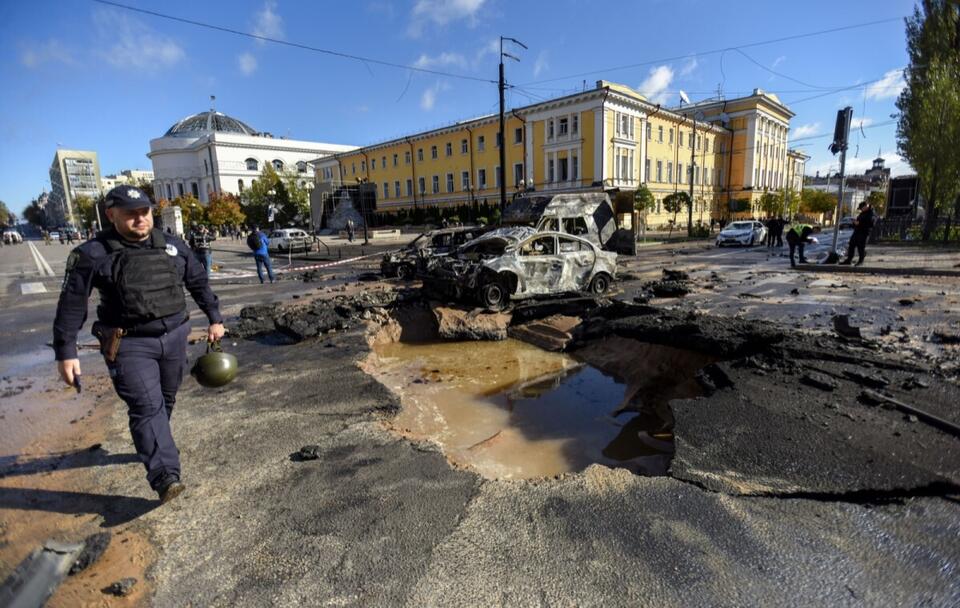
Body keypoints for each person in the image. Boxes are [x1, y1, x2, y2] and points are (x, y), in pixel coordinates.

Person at [53, 186, 225, 503]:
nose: (140, 219)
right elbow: (72, 303)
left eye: (144, 212)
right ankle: (165, 477)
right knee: (147, 406)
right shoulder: (92, 254)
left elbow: (198, 282)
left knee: (166, 399)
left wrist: (214, 317)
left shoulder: (172, 246)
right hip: (129, 344)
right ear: (111, 215)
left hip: (175, 337)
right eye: (130, 214)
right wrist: (66, 351)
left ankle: (154, 443)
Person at [840, 201, 876, 266]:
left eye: (861, 208)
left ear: (865, 206)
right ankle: (849, 260)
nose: (861, 209)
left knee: (861, 247)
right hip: (857, 231)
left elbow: (871, 224)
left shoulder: (871, 213)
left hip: (864, 232)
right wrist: (855, 223)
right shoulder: (862, 213)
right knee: (851, 244)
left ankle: (861, 261)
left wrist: (860, 223)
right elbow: (858, 221)